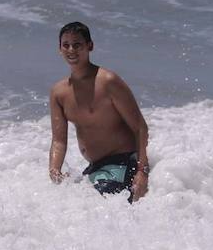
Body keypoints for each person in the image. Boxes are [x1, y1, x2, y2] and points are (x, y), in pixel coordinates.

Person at [48, 21, 150, 202]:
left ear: (90, 46)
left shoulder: (108, 82)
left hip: (122, 163)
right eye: (66, 45)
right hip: (95, 169)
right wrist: (54, 170)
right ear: (59, 49)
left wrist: (142, 172)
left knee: (94, 206)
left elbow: (140, 128)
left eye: (77, 44)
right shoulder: (58, 92)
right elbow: (58, 141)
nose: (71, 50)